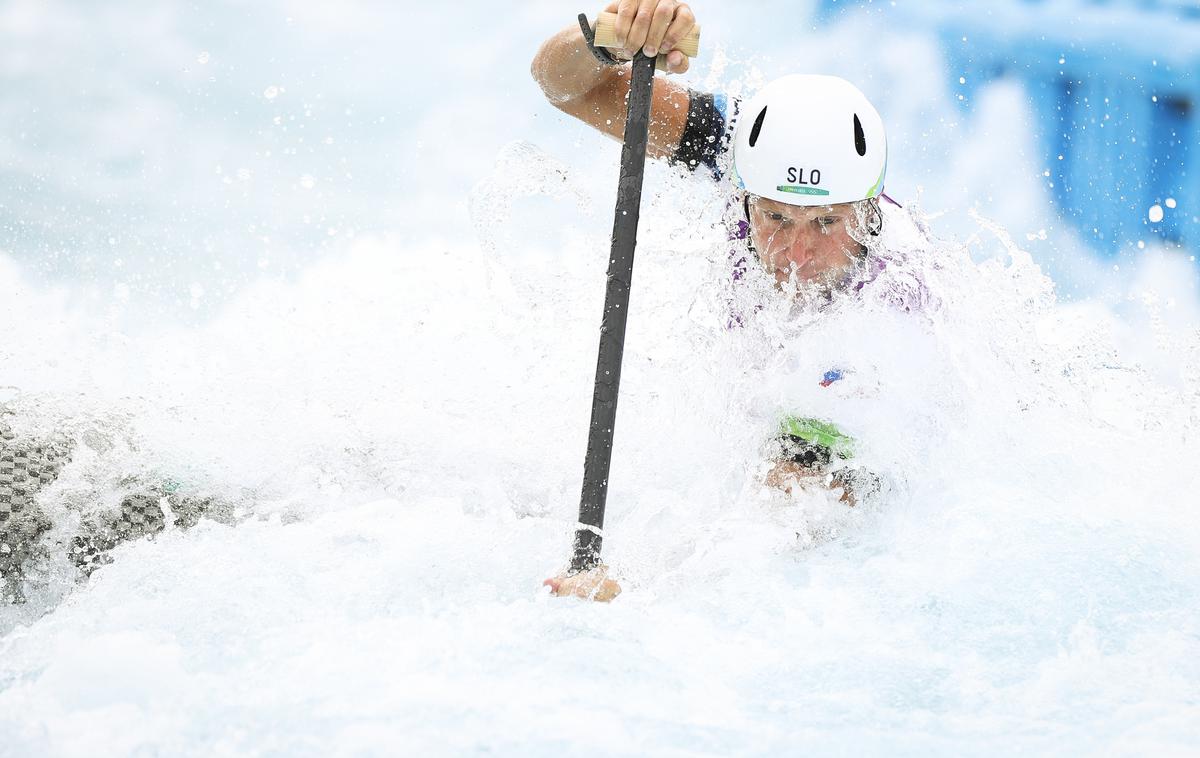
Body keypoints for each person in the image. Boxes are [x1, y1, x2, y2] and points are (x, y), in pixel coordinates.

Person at [532, 2, 895, 602]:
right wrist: (609, 40)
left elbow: (790, 516)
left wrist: (644, 588)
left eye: (827, 225)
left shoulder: (891, 313)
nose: (796, 254)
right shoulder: (736, 151)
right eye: (775, 218)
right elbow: (562, 88)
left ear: (868, 207)